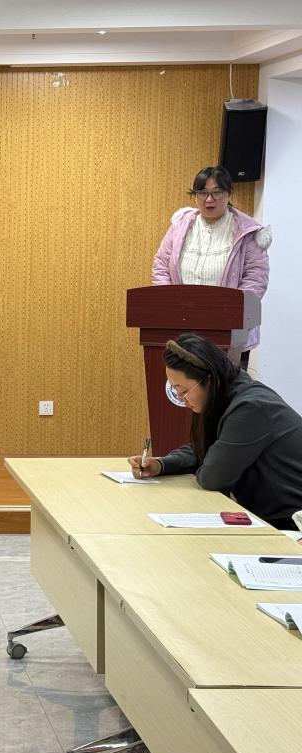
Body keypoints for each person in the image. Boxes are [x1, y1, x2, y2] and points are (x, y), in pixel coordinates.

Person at [128, 333, 302, 529]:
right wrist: (160, 465)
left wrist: (204, 462)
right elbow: (206, 449)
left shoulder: (251, 408)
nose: (181, 399)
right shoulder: (226, 394)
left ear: (209, 380)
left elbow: (212, 477)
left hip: (292, 526)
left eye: (183, 391)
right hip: (274, 520)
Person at [151, 166, 271, 370]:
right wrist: (171, 305)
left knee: (224, 386)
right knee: (184, 386)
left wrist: (228, 311)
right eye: (202, 193)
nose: (209, 199)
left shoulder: (247, 231)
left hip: (229, 330)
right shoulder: (180, 225)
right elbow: (161, 266)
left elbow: (256, 278)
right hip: (183, 326)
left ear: (228, 193)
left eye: (217, 192)